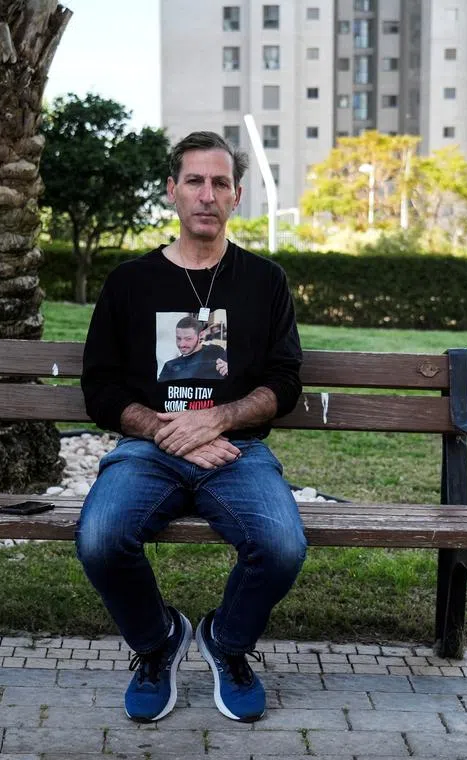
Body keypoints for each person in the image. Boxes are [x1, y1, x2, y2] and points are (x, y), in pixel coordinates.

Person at [78, 131, 306, 724]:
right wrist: (164, 431)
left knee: (282, 546)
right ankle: (158, 644)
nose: (208, 195)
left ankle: (226, 644)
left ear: (237, 195)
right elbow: (100, 388)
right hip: (148, 451)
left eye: (221, 183)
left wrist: (216, 420)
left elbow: (285, 383)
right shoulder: (129, 282)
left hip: (238, 449)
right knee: (101, 539)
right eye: (196, 182)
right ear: (172, 191)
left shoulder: (265, 282)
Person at [157, 315, 228, 382]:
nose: (182, 344)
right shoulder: (169, 366)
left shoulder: (216, 351)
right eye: (178, 338)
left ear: (201, 335)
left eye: (188, 339)